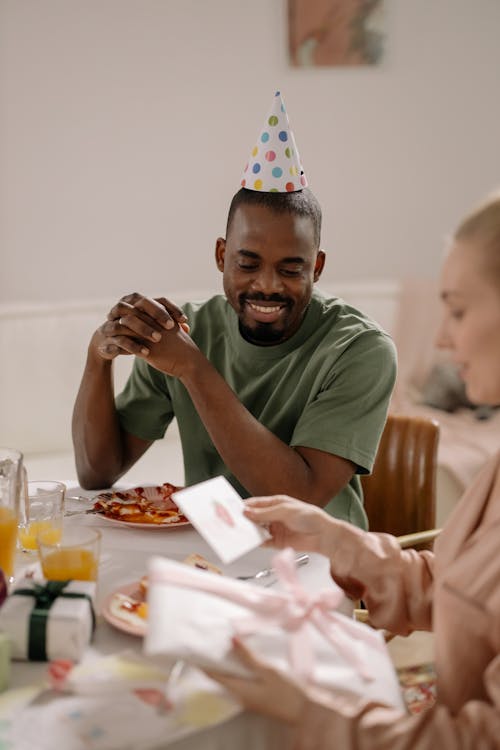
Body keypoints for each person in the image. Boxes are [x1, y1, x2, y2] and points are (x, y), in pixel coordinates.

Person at [207, 192, 500, 747]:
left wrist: (309, 710)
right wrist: (340, 541)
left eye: (458, 310)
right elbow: (467, 593)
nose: (440, 339)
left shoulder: (356, 349)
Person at [72, 92, 396, 527]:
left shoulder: (360, 349)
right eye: (248, 264)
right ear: (222, 255)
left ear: (316, 267)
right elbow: (97, 472)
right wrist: (100, 354)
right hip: (214, 554)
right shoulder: (186, 331)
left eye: (291, 268)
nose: (267, 285)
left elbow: (301, 496)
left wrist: (193, 368)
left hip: (320, 566)